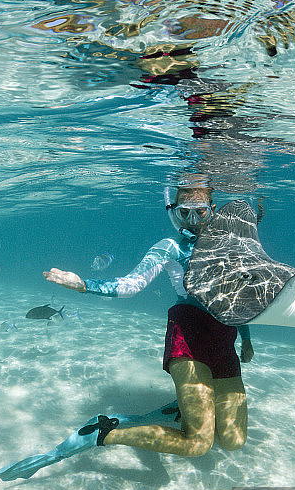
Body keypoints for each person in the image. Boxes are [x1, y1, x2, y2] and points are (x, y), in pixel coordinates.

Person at [43, 180, 254, 458]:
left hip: (224, 337)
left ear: (212, 210)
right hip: (188, 334)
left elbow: (242, 299)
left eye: (200, 212)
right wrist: (85, 284)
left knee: (232, 440)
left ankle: (186, 407)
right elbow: (133, 284)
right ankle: (104, 433)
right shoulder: (170, 247)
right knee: (198, 444)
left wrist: (246, 340)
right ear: (175, 212)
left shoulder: (232, 246)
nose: (192, 221)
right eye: (184, 213)